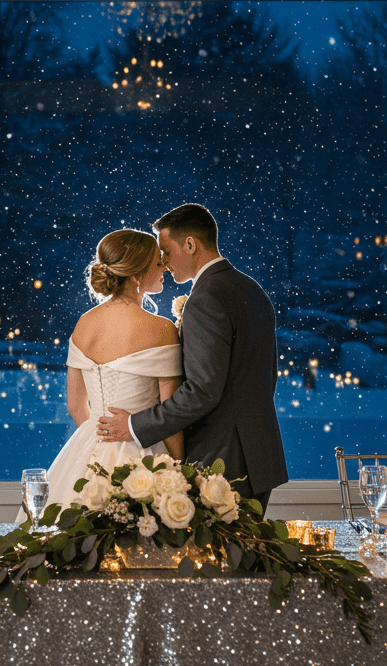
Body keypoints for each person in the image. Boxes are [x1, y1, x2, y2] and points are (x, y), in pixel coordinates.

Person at [98, 203, 288, 514]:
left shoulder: (206, 298)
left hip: (222, 459)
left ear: (190, 244)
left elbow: (202, 391)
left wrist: (133, 425)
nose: (162, 260)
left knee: (215, 561)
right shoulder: (251, 289)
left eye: (166, 251)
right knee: (243, 558)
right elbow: (266, 375)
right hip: (257, 454)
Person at [43, 228, 185, 513]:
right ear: (135, 274)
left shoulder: (84, 324)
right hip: (146, 450)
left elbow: (75, 405)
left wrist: (97, 443)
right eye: (158, 263)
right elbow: (171, 413)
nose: (164, 269)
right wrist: (180, 467)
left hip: (89, 446)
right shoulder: (161, 329)